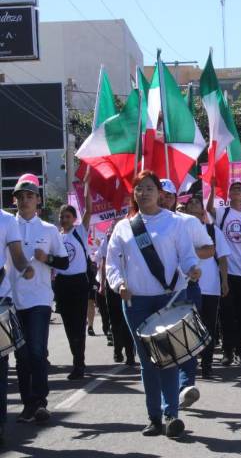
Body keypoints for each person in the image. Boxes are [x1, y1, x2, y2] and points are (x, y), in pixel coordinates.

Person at [106, 170, 201, 438]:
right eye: (139, 188)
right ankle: (154, 417)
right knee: (148, 361)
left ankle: (171, 414)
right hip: (135, 301)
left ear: (159, 192)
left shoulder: (175, 222)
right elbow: (112, 261)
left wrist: (193, 268)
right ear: (134, 193)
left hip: (168, 299)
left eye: (149, 187)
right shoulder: (124, 226)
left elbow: (187, 255)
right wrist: (118, 284)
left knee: (168, 358)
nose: (144, 192)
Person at [11, 175, 69, 424]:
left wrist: (47, 259)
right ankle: (28, 404)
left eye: (29, 196)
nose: (25, 201)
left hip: (39, 299)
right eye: (20, 197)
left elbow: (65, 262)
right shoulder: (5, 226)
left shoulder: (48, 229)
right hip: (11, 299)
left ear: (38, 201)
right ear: (15, 201)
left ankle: (40, 402)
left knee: (36, 350)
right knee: (21, 354)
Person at [159, 179, 214, 410]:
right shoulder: (138, 224)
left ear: (175, 199)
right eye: (159, 194)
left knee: (186, 338)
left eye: (168, 196)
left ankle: (185, 386)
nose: (163, 199)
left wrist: (187, 257)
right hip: (155, 291)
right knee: (163, 343)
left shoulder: (189, 222)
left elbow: (209, 249)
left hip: (186, 288)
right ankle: (166, 394)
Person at [206, 179, 241, 366]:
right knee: (227, 314)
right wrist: (213, 188)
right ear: (229, 194)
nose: (237, 191)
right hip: (226, 272)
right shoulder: (222, 212)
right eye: (233, 188)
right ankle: (228, 351)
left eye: (240, 189)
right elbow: (209, 209)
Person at [178, 196, 230, 380]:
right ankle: (188, 367)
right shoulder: (178, 228)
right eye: (189, 203)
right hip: (186, 286)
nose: (192, 205)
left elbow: (222, 258)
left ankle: (207, 364)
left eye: (196, 203)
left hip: (210, 287)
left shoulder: (213, 230)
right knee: (189, 328)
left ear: (203, 210)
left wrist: (224, 280)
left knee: (208, 327)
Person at [0, 208, 35, 445]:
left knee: (0, 365)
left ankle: (0, 424)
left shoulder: (6, 220)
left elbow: (17, 255)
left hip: (0, 297)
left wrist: (25, 267)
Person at [54, 198, 93, 380]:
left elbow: (89, 211)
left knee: (78, 325)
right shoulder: (56, 236)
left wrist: (86, 187)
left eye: (67, 216)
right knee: (69, 326)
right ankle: (77, 359)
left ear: (74, 218)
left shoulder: (80, 232)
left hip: (79, 283)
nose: (64, 219)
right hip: (62, 284)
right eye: (62, 216)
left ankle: (79, 364)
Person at [96, 222, 135, 366]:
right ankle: (118, 350)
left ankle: (130, 353)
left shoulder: (131, 234)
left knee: (128, 320)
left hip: (129, 284)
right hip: (112, 285)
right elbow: (105, 263)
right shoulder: (107, 239)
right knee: (115, 320)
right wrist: (102, 283)